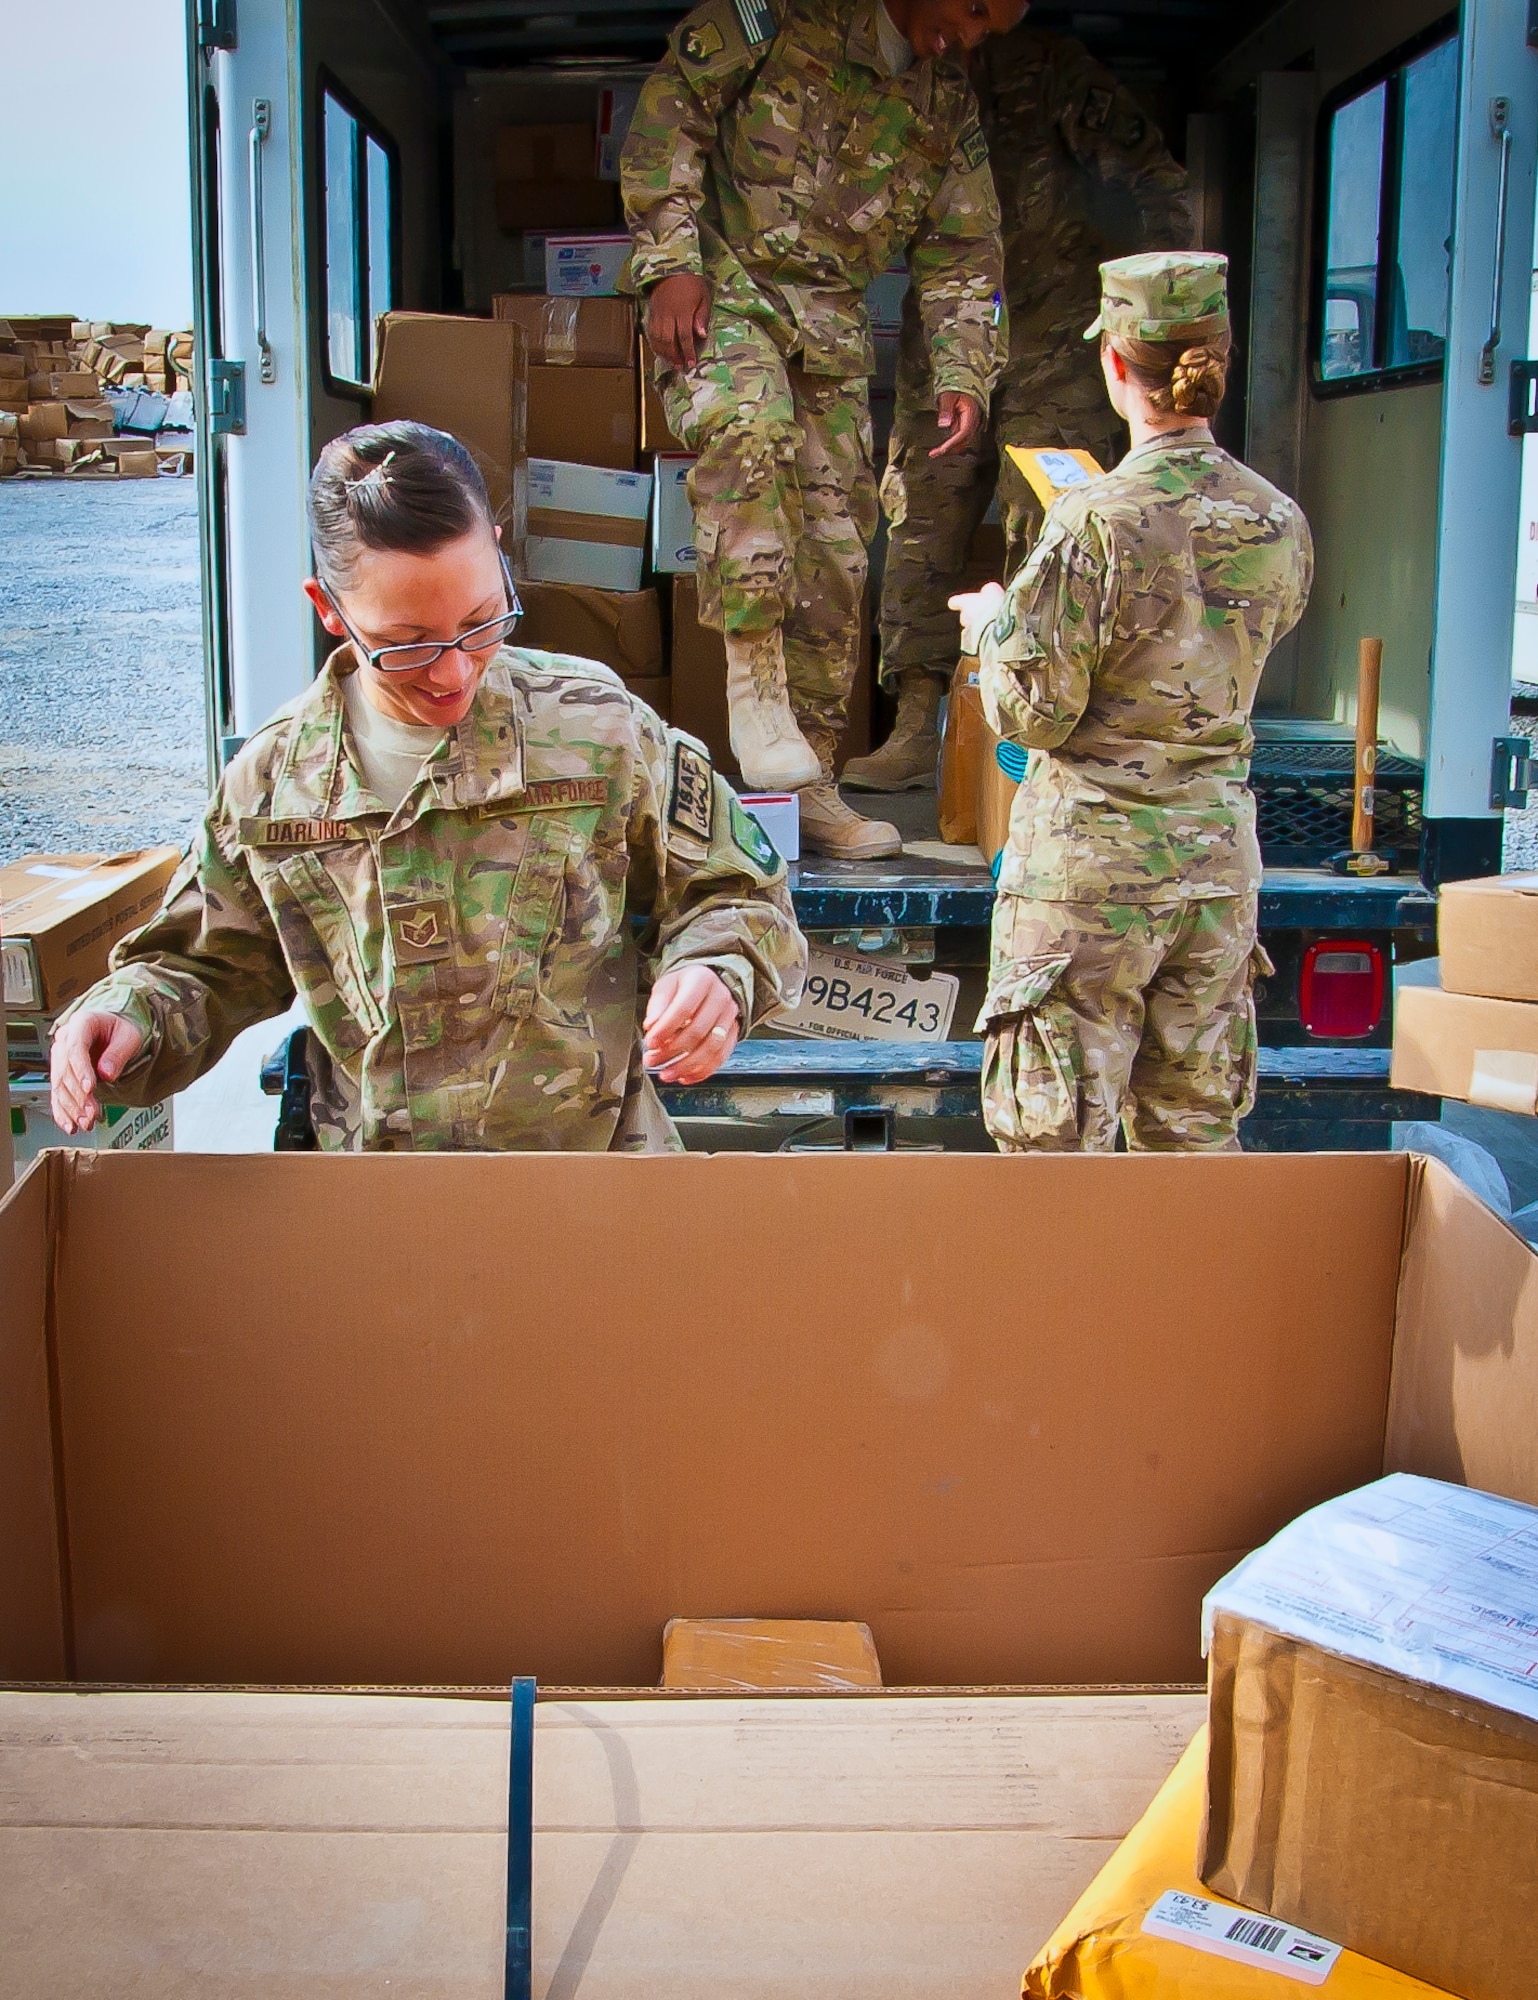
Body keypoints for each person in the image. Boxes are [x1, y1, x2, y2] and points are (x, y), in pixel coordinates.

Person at [50, 422, 807, 1153]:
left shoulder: (597, 729)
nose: (453, 672)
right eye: (407, 646)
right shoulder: (273, 786)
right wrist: (128, 1018)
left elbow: (737, 894)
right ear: (329, 611)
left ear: (500, 559)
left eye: (481, 622)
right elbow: (204, 967)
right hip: (382, 1211)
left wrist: (717, 971)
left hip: (590, 1181)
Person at [622, 0, 1022, 858]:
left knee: (839, 555)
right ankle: (754, 683)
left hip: (831, 338)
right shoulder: (783, 17)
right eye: (975, 9)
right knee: (749, 430)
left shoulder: (943, 102)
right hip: (723, 294)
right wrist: (671, 264)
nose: (975, 34)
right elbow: (671, 114)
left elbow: (966, 250)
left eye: (997, 25)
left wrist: (962, 370)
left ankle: (808, 789)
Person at [950, 253, 1314, 1154]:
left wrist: (993, 629)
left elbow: (1035, 713)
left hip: (1091, 880)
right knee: (1194, 1144)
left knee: (1054, 1157)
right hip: (1215, 872)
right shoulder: (1278, 520)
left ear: (1115, 363)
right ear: (1220, 357)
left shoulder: (1095, 521)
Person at [848, 23, 1194, 793]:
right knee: (921, 518)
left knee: (1045, 520)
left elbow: (1155, 179)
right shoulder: (905, 81)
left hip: (1059, 336)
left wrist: (1156, 320)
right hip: (946, 332)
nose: (954, 31)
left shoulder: (1050, 68)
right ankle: (914, 728)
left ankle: (1026, 727)